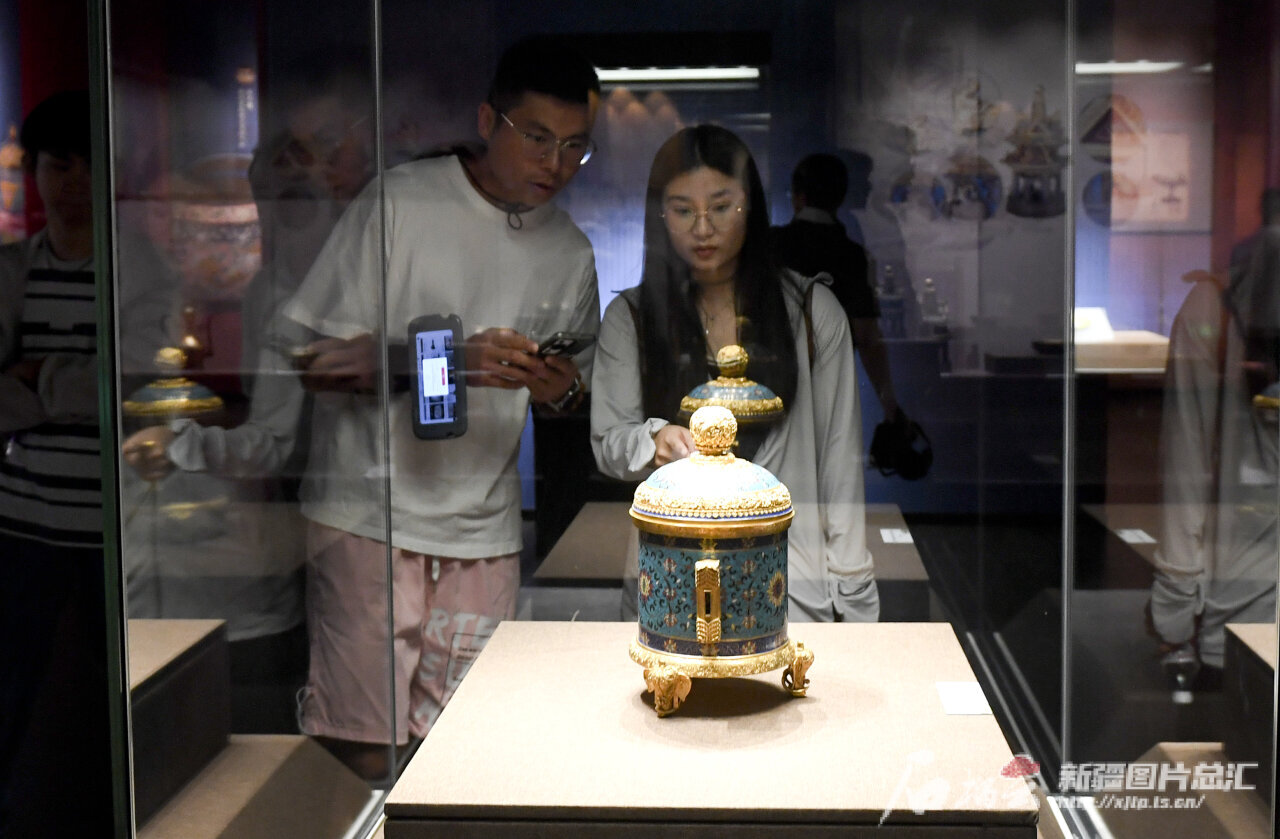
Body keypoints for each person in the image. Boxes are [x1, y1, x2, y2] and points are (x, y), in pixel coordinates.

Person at [125, 38, 601, 780]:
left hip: (484, 526)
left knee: (466, 752)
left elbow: (577, 399)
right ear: (488, 121)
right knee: (363, 746)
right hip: (368, 516)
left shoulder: (569, 251)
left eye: (575, 147)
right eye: (537, 138)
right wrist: (448, 359)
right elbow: (314, 361)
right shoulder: (403, 201)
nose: (555, 163)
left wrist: (556, 388)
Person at [591, 125, 879, 623]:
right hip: (670, 591)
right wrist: (654, 440)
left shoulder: (812, 312)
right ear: (660, 216)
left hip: (788, 588)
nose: (703, 228)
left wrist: (854, 601)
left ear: (751, 206)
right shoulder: (631, 319)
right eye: (683, 210)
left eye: (721, 207)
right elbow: (608, 442)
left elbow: (840, 469)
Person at [0, 90, 170, 836]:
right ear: (35, 170)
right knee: (14, 688)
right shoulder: (13, 269)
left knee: (120, 694)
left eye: (86, 165)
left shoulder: (142, 269)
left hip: (112, 521)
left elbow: (135, 385)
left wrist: (39, 376)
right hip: (22, 518)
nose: (71, 182)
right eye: (56, 164)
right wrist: (79, 384)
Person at [1149, 212, 1278, 685]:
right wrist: (1177, 603)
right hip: (1239, 610)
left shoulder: (1214, 306)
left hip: (1238, 604)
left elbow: (1186, 461)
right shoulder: (1213, 308)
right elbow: (1187, 464)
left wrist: (1175, 609)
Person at [773, 152, 898, 420]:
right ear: (841, 196)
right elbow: (866, 335)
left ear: (799, 196)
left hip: (772, 385)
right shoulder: (851, 255)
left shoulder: (771, 245)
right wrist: (890, 406)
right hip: (828, 391)